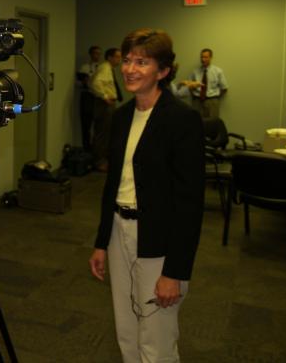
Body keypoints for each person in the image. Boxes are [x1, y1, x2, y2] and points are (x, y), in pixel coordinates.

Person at [88, 29, 204, 363]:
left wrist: (175, 271)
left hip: (157, 240)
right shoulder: (123, 116)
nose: (130, 69)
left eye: (142, 62)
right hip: (118, 232)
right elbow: (114, 186)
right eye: (127, 60)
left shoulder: (183, 120)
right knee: (126, 330)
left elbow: (189, 203)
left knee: (156, 337)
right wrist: (101, 242)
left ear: (163, 71)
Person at [89, 47, 123, 172]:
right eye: (117, 57)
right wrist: (104, 97)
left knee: (106, 132)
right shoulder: (105, 68)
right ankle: (99, 162)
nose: (119, 59)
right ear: (110, 57)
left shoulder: (108, 68)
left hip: (107, 103)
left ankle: (102, 160)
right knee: (102, 133)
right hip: (104, 104)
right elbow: (95, 84)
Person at [183, 48, 228, 119]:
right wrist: (194, 95)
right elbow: (189, 85)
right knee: (196, 122)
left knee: (212, 123)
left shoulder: (218, 71)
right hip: (197, 101)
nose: (203, 59)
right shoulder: (195, 71)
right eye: (202, 57)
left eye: (205, 57)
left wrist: (215, 97)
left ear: (210, 57)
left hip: (212, 101)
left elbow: (224, 88)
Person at [77, 45, 102, 152]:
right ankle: (87, 150)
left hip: (99, 98)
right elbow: (77, 82)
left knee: (99, 126)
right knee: (86, 125)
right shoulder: (84, 67)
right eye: (95, 53)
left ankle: (98, 151)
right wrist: (85, 82)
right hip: (87, 97)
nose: (97, 56)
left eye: (99, 53)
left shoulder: (102, 68)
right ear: (91, 54)